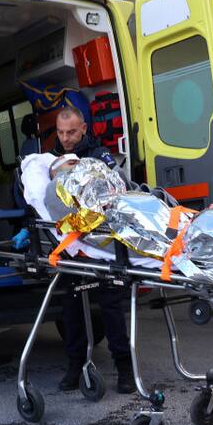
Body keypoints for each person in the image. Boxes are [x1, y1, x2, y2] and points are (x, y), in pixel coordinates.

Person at [49, 106, 134, 394]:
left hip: (101, 245)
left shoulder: (100, 157)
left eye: (71, 132)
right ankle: (75, 366)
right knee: (71, 308)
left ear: (83, 128)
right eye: (61, 133)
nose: (66, 138)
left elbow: (117, 190)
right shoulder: (54, 160)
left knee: (111, 307)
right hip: (73, 247)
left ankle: (124, 369)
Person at [51, 106, 116, 169]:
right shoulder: (49, 158)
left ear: (84, 128)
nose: (65, 139)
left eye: (71, 132)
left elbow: (118, 177)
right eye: (60, 132)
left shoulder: (99, 155)